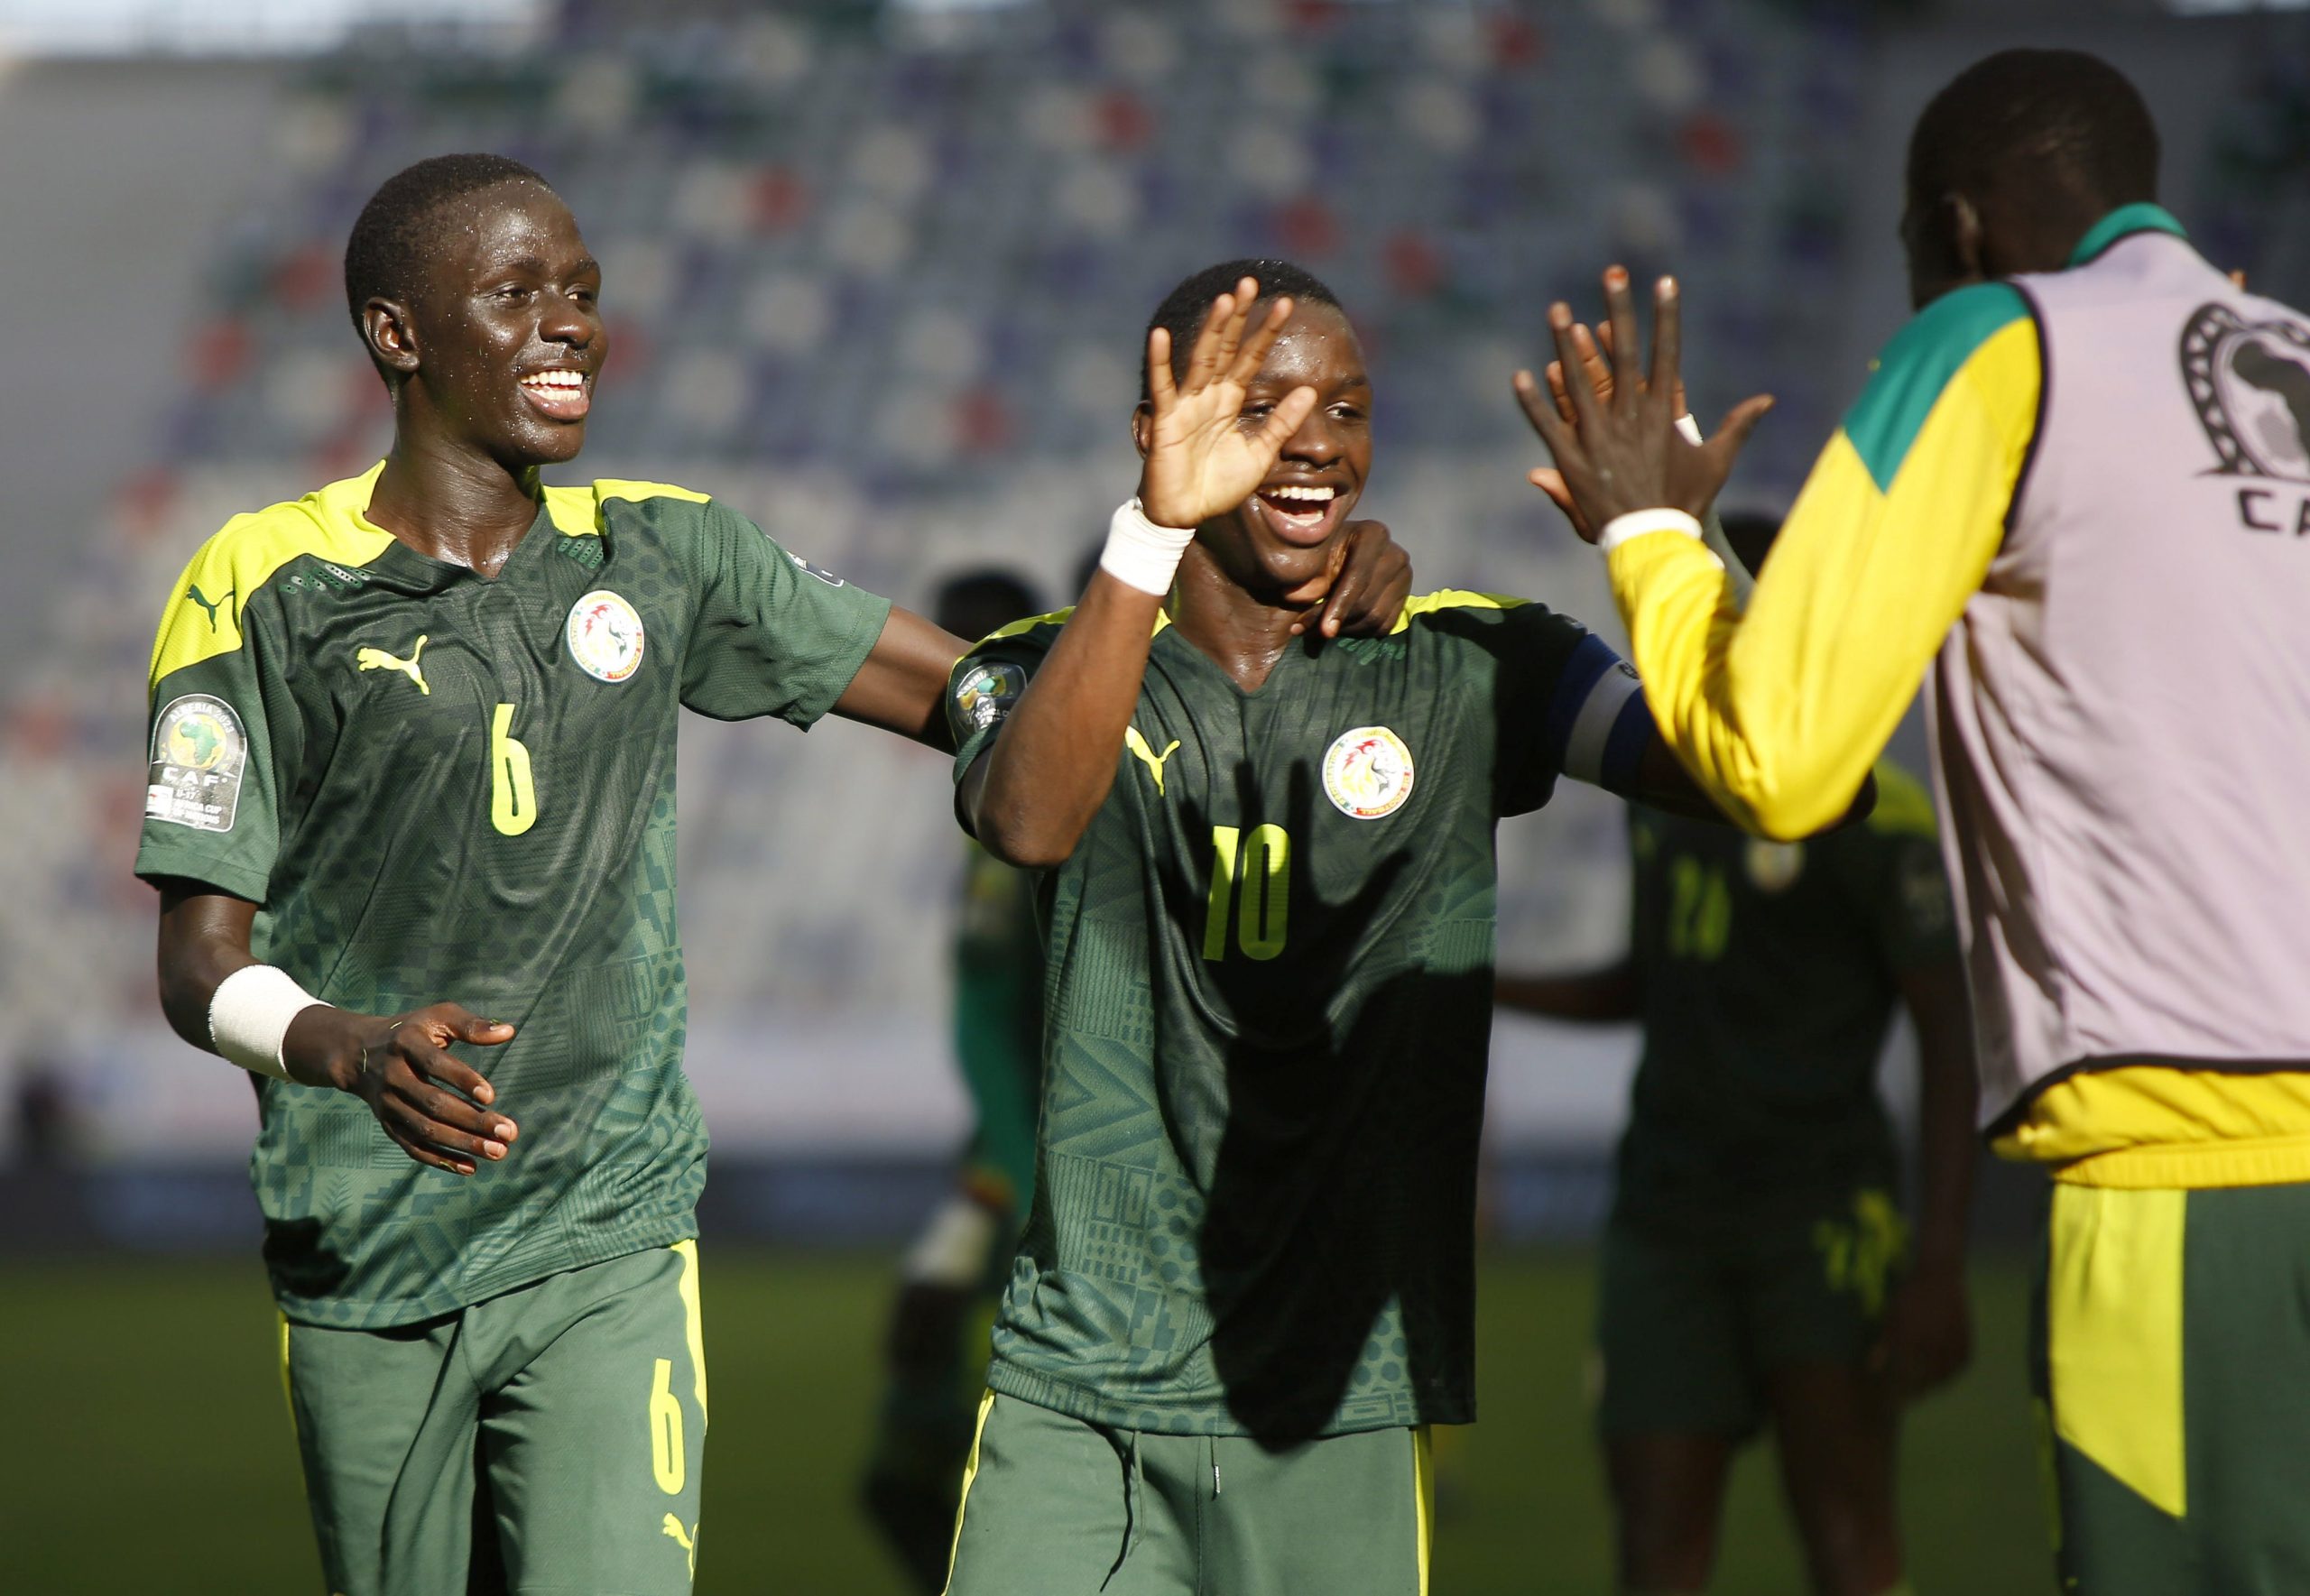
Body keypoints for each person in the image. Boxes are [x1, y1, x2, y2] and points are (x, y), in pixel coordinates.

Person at [136, 157, 1410, 1596]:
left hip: (606, 1229)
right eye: (516, 295)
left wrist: (1288, 576)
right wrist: (345, 1046)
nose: (570, 326)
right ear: (398, 334)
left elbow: (992, 697)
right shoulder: (260, 582)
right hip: (360, 1245)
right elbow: (197, 961)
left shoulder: (666, 551)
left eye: (585, 295)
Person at [1519, 49, 2310, 1595]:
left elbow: (1786, 760)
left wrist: (1652, 537)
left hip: (2195, 1170)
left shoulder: (1998, 341)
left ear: (1955, 226)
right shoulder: (2287, 350)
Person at [937, 260, 1796, 1596]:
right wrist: (1151, 536)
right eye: (1268, 406)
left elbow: (1769, 774)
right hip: (1080, 1385)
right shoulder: (1042, 668)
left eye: (1349, 408)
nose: (1320, 443)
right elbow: (1035, 819)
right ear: (1164, 431)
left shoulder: (1477, 666)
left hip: (1336, 1389)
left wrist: (1675, 542)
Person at [1500, 565, 1975, 1596]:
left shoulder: (1872, 811)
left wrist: (1940, 1257)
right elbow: (1648, 979)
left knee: (1846, 1529)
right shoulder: (1659, 797)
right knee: (1654, 1545)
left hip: (1816, 1212)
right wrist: (1483, 982)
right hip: (1664, 1214)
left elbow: (1949, 1028)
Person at [863, 568, 1050, 1592]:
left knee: (927, 1441)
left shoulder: (1030, 823)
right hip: (1015, 1157)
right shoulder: (1008, 813)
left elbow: (997, 1034)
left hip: (1040, 1164)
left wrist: (1011, 1184)